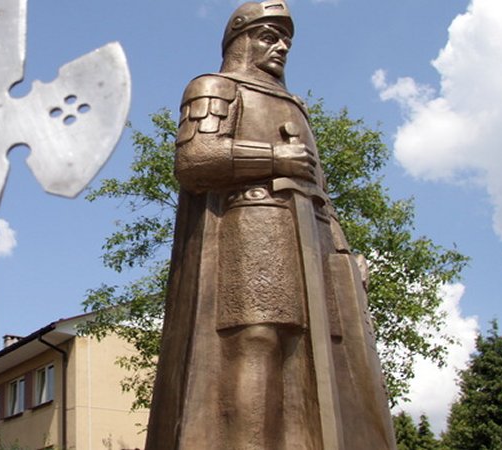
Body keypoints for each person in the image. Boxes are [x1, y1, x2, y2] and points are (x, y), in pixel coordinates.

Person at [145, 2, 397, 449]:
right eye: (268, 35)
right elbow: (195, 160)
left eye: (286, 40)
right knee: (258, 339)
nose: (280, 46)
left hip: (311, 237)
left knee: (314, 354)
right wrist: (275, 158)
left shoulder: (296, 106)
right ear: (239, 38)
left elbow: (318, 187)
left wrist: (343, 251)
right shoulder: (214, 86)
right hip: (252, 224)